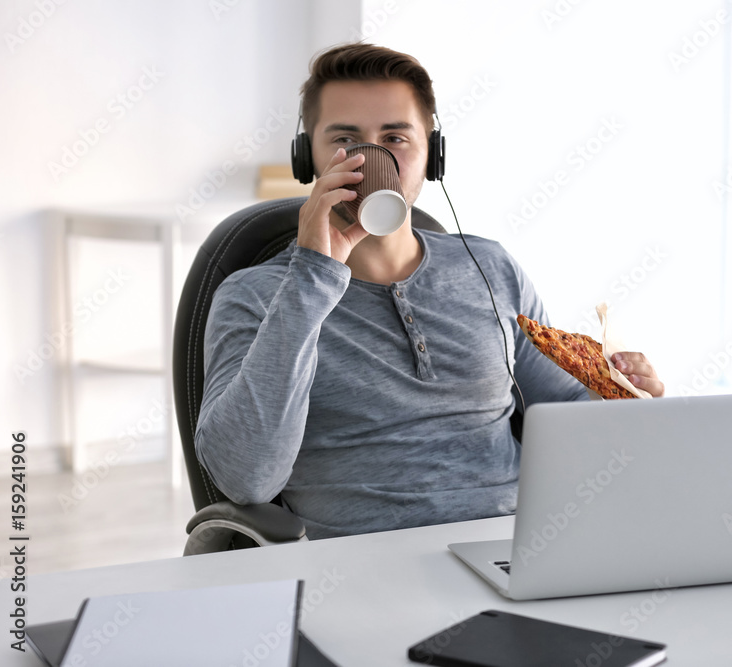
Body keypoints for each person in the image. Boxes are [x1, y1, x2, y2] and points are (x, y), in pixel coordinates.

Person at [194, 43, 664, 540]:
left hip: (521, 548)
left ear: (432, 155)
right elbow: (246, 478)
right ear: (306, 156)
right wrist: (313, 276)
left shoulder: (491, 267)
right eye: (345, 139)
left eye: (394, 137)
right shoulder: (254, 295)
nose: (371, 157)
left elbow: (565, 418)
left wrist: (619, 397)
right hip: (361, 569)